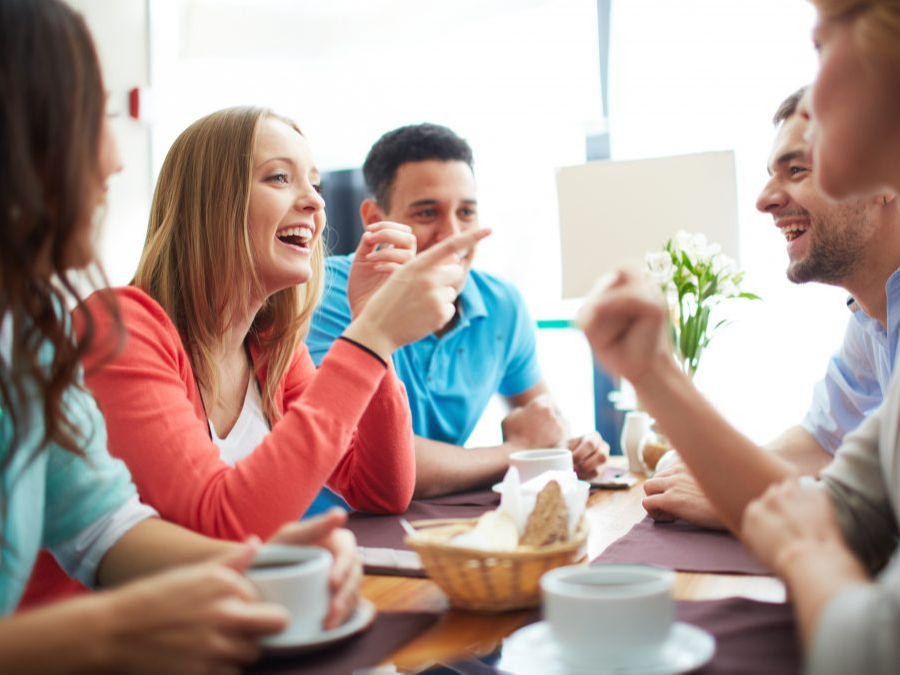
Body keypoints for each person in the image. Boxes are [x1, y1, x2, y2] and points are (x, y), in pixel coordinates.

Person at [0, 1, 360, 671]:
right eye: (91, 119)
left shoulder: (34, 336)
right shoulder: (117, 322)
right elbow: (214, 516)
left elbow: (102, 526)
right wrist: (370, 339)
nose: (114, 159)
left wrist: (272, 563)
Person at [23, 109, 488, 606]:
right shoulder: (122, 326)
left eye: (314, 183)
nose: (314, 201)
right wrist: (369, 339)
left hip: (212, 626)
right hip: (91, 645)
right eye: (279, 178)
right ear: (211, 202)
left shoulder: (269, 348)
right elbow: (221, 526)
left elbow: (382, 488)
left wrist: (372, 327)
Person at [580, 2, 900, 671]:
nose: (762, 199)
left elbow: (867, 645)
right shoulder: (877, 321)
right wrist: (655, 373)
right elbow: (846, 502)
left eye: (819, 46)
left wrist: (804, 548)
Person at [643, 86, 900, 529]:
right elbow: (824, 439)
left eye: (796, 169)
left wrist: (743, 501)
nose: (764, 200)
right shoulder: (870, 312)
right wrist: (719, 477)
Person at [308, 123, 606, 499]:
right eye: (427, 213)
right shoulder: (330, 293)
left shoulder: (502, 304)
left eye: (466, 212)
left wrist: (573, 447)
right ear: (373, 219)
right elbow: (373, 464)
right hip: (337, 537)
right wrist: (514, 452)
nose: (452, 234)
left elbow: (544, 423)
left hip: (438, 531)